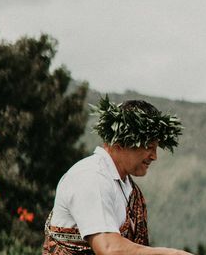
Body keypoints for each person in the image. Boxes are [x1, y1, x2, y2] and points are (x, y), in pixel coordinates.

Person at [43, 96, 193, 255]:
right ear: (120, 143)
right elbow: (109, 249)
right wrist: (174, 254)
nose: (154, 156)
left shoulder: (127, 187)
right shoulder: (91, 176)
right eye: (149, 147)